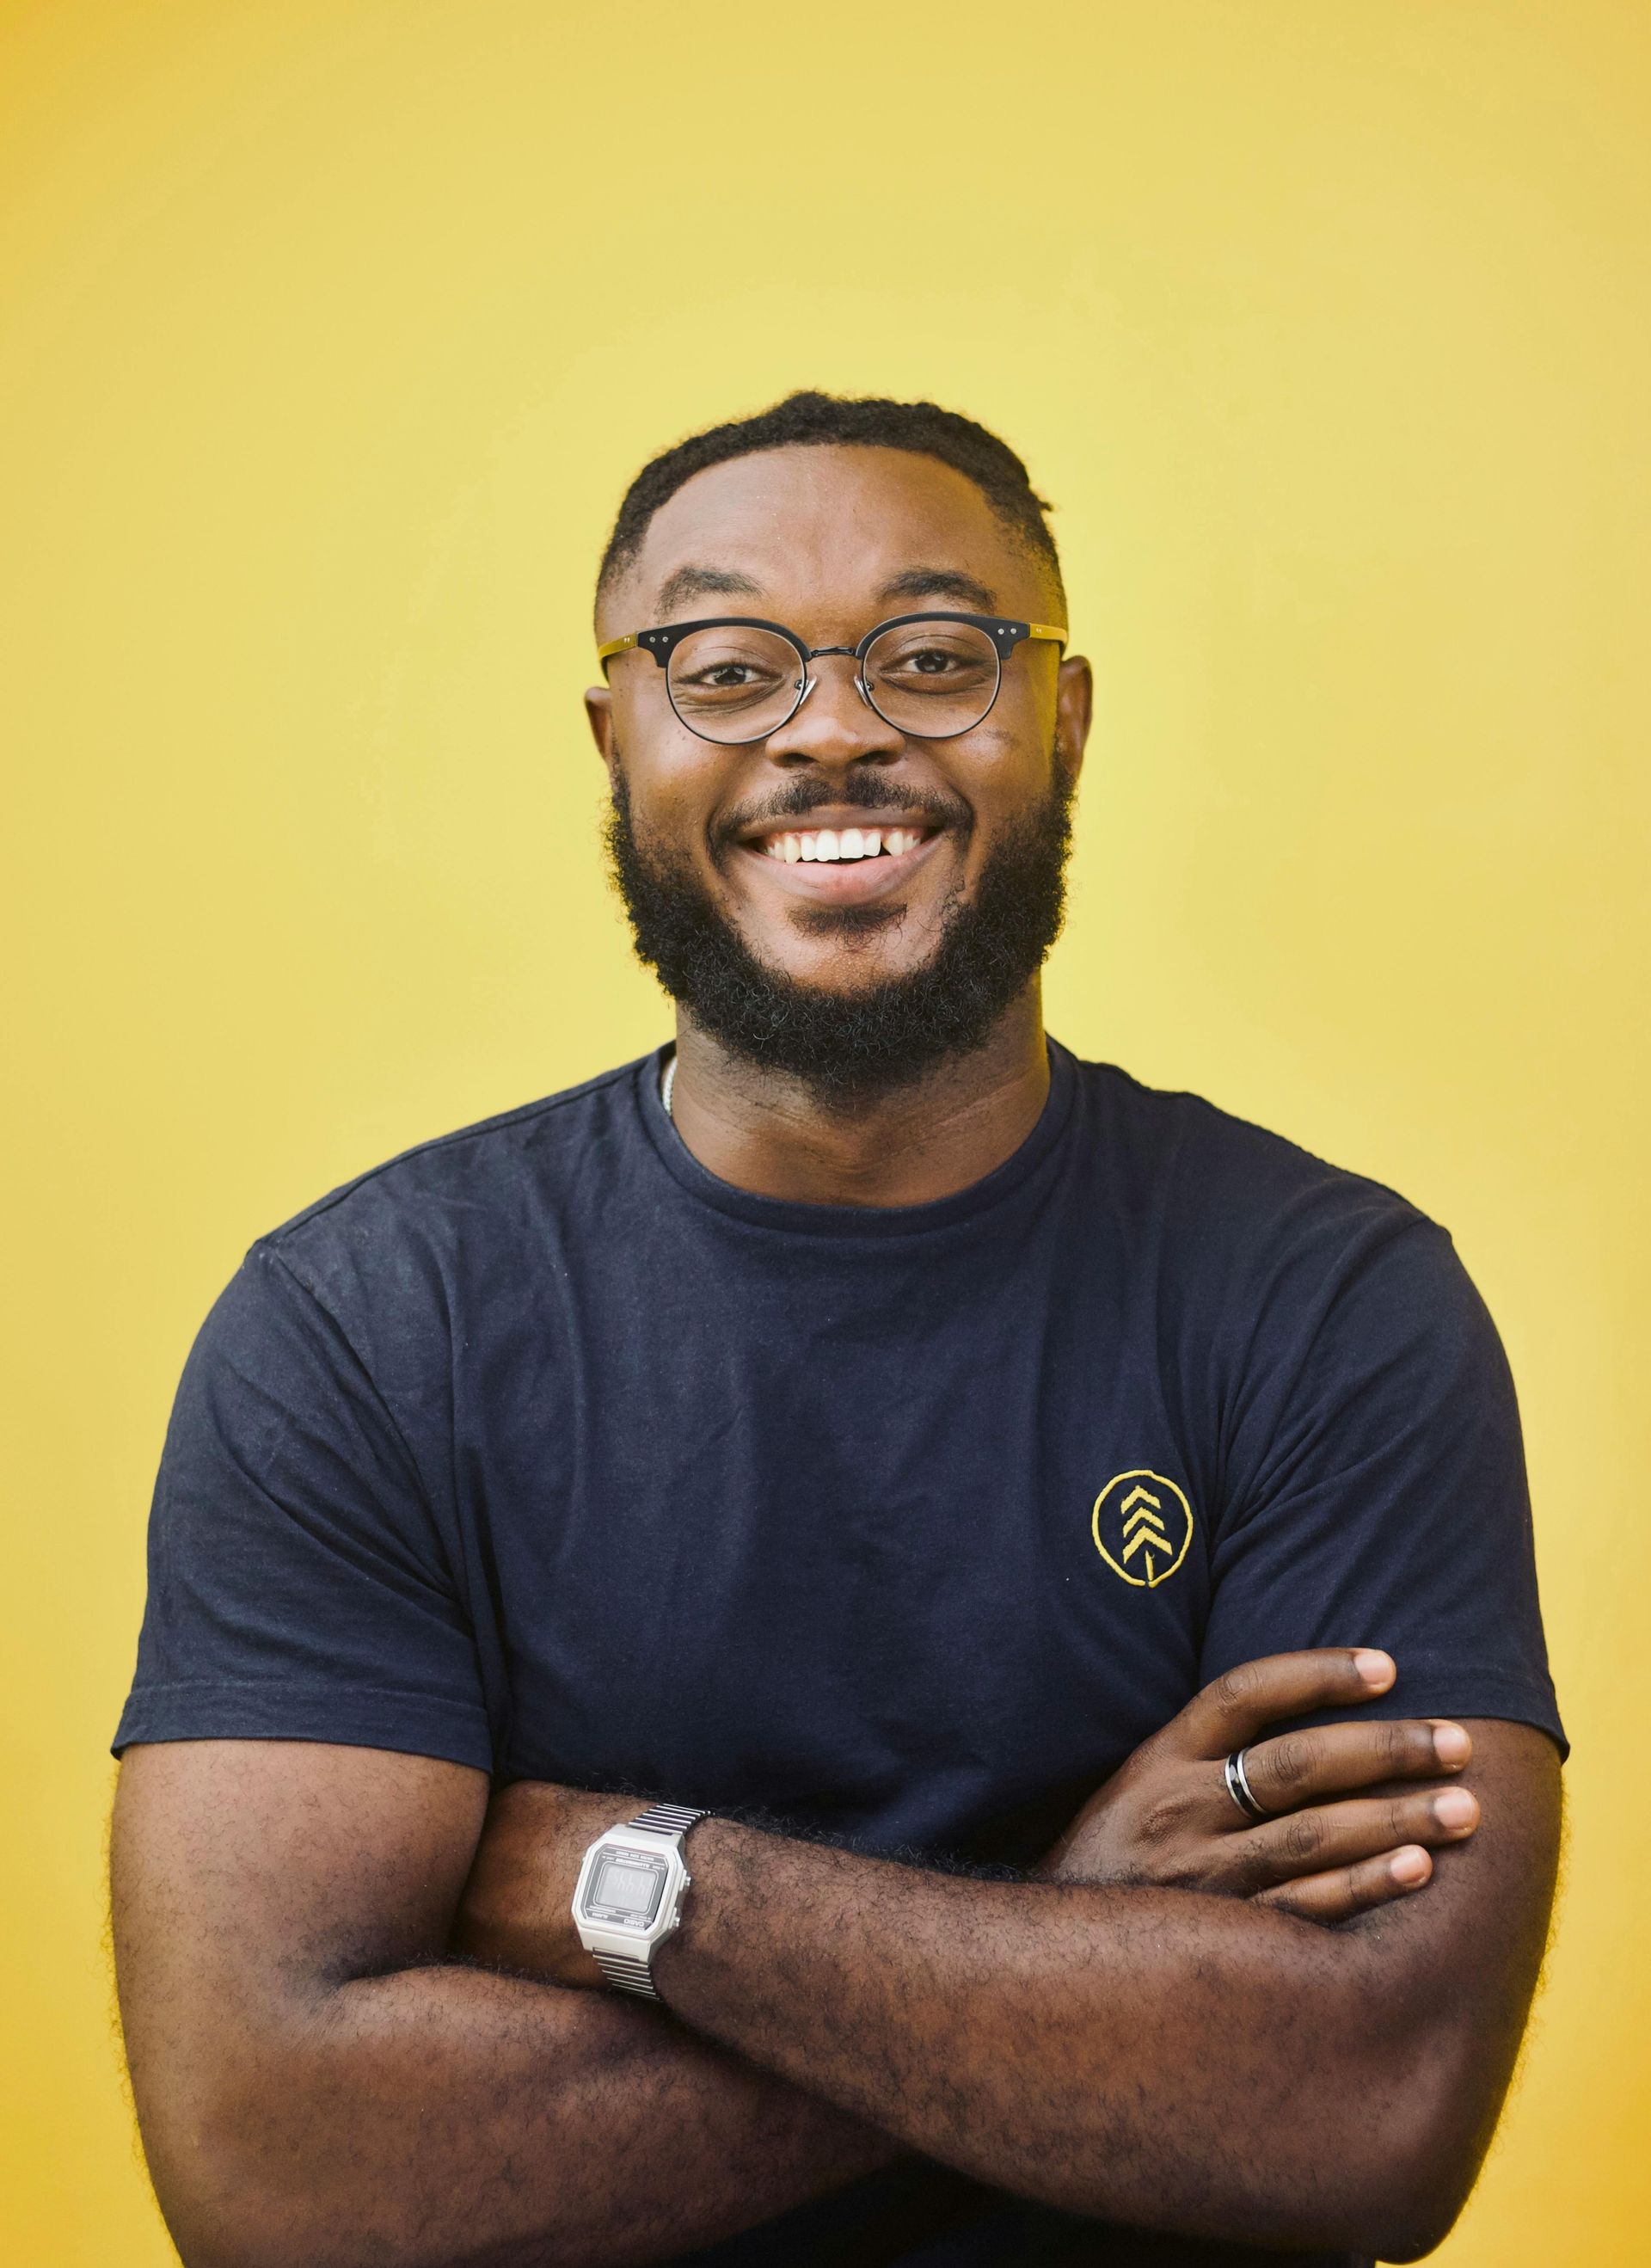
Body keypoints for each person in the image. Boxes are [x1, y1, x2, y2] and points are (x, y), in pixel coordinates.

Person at [110, 391, 1564, 2268]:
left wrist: (633, 1884)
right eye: (723, 667)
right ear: (615, 733)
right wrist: (1068, 1928)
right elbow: (284, 2182)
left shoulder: (1328, 1305)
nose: (833, 726)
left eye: (939, 655)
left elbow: (1363, 2110)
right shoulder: (367, 1328)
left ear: (1068, 719)